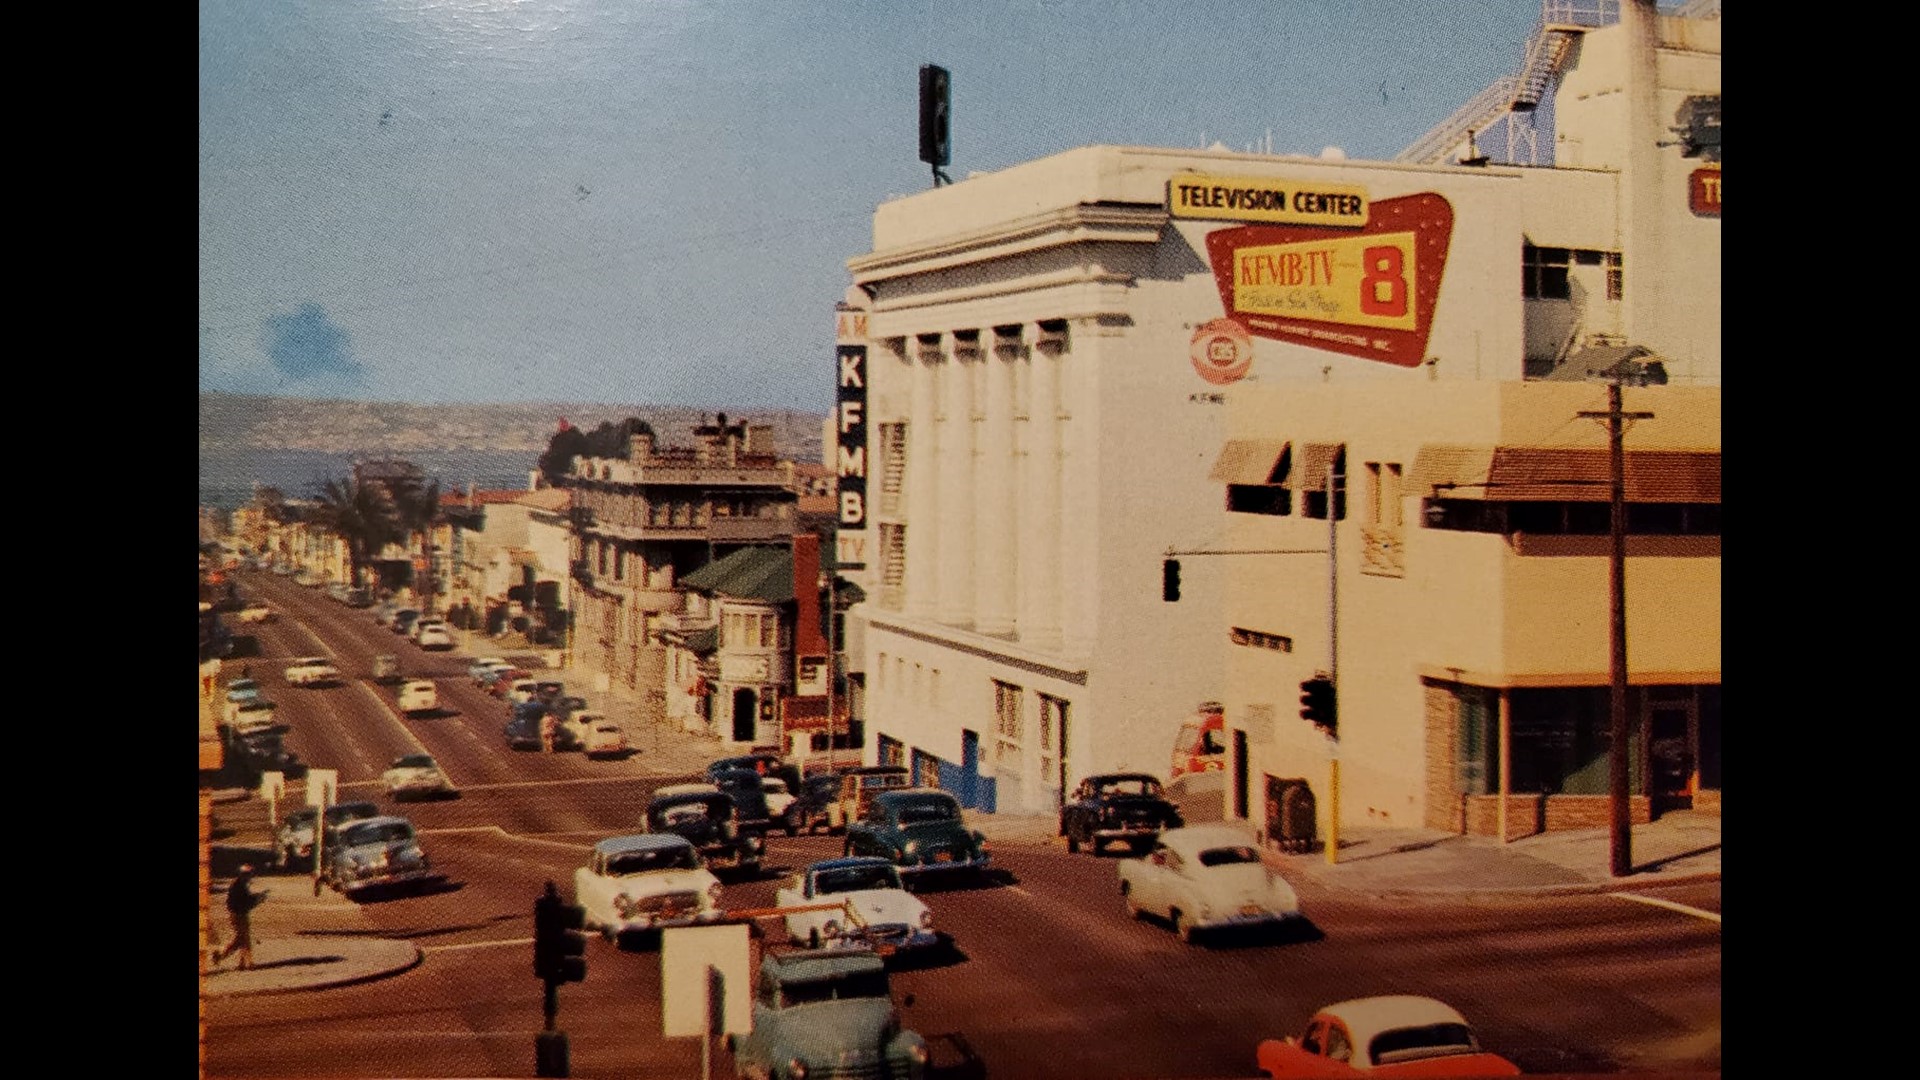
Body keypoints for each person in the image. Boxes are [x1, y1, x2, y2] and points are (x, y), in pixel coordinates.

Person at [217, 863, 267, 971]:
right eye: (249, 874)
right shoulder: (237, 886)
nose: (250, 876)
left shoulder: (239, 884)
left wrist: (257, 897)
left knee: (242, 939)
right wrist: (257, 899)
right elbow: (244, 902)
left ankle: (240, 961)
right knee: (243, 939)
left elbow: (245, 900)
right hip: (238, 915)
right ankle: (247, 962)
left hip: (238, 914)